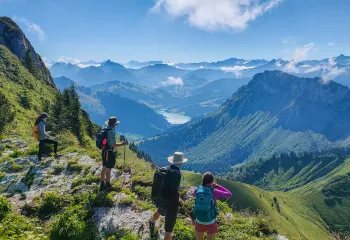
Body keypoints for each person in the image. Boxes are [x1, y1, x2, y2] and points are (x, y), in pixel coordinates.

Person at [149, 152, 187, 240]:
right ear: (180, 163)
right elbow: (174, 190)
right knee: (169, 230)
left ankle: (151, 221)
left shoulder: (164, 170)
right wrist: (179, 200)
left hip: (160, 198)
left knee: (160, 210)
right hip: (170, 204)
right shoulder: (176, 173)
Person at [193, 172, 232, 240]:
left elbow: (194, 196)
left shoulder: (197, 190)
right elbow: (229, 194)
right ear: (212, 181)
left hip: (199, 219)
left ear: (203, 180)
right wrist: (218, 186)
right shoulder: (214, 191)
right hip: (210, 221)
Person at [100, 116, 128, 191]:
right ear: (114, 124)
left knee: (104, 167)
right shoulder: (111, 132)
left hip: (104, 151)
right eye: (116, 124)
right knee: (108, 169)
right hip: (109, 152)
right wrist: (122, 144)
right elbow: (113, 145)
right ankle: (108, 185)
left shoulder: (105, 130)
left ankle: (102, 184)